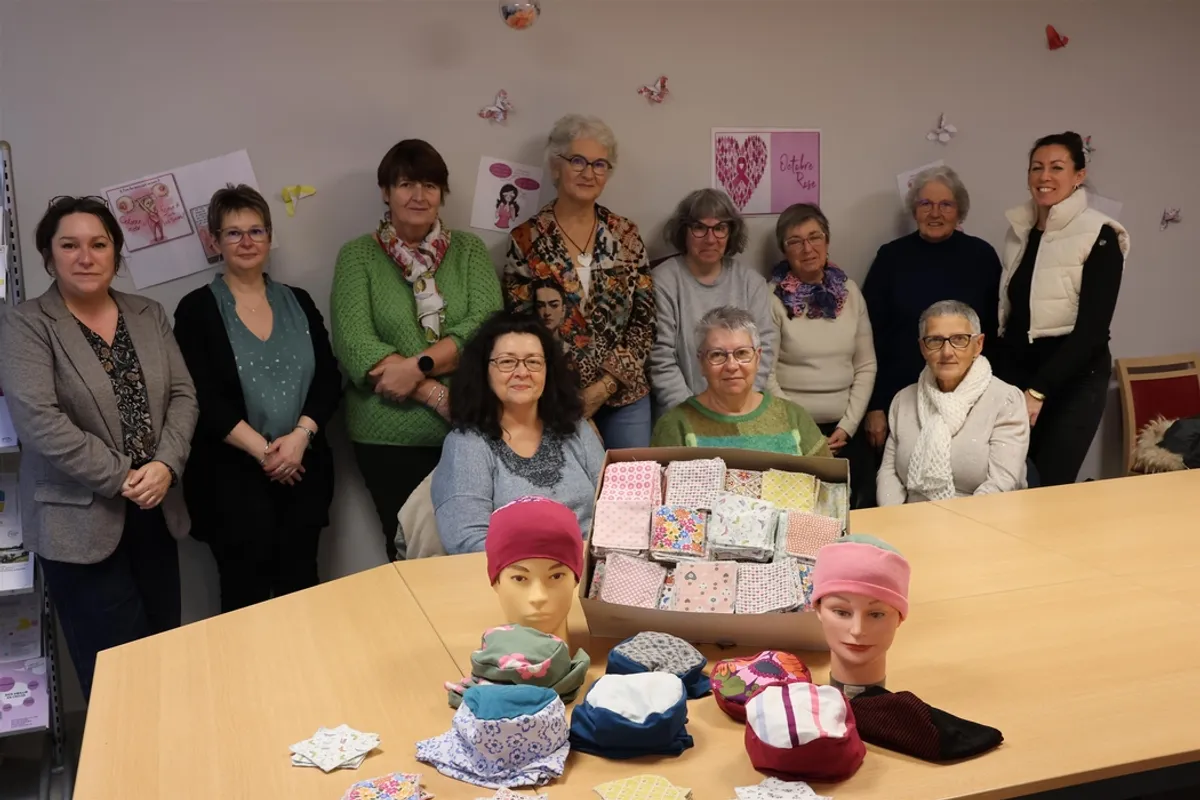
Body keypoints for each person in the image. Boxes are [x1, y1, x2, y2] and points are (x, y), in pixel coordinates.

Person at [0, 196, 197, 699]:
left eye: (98, 244)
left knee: (165, 651)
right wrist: (123, 476)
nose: (84, 256)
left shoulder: (147, 313)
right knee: (118, 678)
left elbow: (182, 395)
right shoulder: (26, 325)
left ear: (115, 253)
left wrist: (166, 466)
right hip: (79, 523)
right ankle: (124, 775)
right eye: (69, 245)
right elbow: (39, 421)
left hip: (155, 506)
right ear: (49, 255)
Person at [173, 185, 342, 612]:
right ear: (214, 241)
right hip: (231, 484)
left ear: (270, 237)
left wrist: (299, 439)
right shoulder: (196, 310)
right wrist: (266, 453)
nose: (247, 242)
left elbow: (327, 379)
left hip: (303, 472)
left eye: (256, 230)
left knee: (303, 593)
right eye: (233, 233)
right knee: (244, 605)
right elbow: (200, 395)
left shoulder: (299, 302)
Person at [331, 139, 503, 560]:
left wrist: (419, 365)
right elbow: (356, 344)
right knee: (409, 552)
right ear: (386, 192)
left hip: (470, 430)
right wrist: (435, 392)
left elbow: (486, 328)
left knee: (473, 550)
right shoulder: (357, 256)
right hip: (388, 436)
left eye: (429, 184)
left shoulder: (469, 251)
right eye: (406, 183)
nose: (418, 196)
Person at [504, 114, 656, 449]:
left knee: (630, 496)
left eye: (600, 164)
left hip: (624, 396)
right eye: (578, 161)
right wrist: (571, 399)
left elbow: (644, 324)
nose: (589, 173)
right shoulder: (527, 239)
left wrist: (603, 388)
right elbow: (521, 329)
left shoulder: (625, 234)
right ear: (555, 167)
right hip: (553, 398)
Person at [993, 132, 1128, 486]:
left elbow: (1093, 331)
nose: (1044, 177)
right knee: (1009, 482)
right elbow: (1012, 317)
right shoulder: (1018, 231)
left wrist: (1039, 390)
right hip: (1020, 377)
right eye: (1036, 168)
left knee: (1049, 486)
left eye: (1056, 167)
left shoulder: (1100, 234)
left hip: (1073, 380)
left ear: (1078, 176)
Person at [431, 311, 605, 554]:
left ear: (548, 370)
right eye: (507, 361)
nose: (522, 372)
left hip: (590, 571)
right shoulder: (466, 445)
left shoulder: (575, 428)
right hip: (514, 580)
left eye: (533, 361)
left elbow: (612, 505)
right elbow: (467, 542)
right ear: (484, 370)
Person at [861, 166, 1002, 454]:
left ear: (959, 211)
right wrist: (875, 405)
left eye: (945, 205)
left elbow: (996, 334)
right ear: (914, 210)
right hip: (902, 397)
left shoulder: (982, 257)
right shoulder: (890, 258)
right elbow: (869, 337)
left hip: (969, 399)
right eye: (925, 203)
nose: (934, 213)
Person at [765, 203, 877, 506]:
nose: (807, 248)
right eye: (795, 241)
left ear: (827, 242)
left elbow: (866, 365)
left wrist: (848, 426)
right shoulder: (771, 299)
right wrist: (805, 431)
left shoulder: (850, 292)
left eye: (815, 237)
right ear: (784, 250)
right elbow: (765, 373)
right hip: (792, 431)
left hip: (846, 431)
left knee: (862, 501)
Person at [877, 301, 1028, 505]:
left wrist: (950, 529)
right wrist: (892, 520)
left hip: (983, 522)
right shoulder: (903, 399)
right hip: (910, 522)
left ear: (978, 345)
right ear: (922, 347)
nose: (947, 352)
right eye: (935, 340)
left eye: (959, 339)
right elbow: (889, 474)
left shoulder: (1006, 400)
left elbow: (1003, 482)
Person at [649, 188, 776, 418]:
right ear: (684, 231)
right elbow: (660, 360)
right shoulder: (663, 281)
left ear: (730, 233)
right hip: (682, 413)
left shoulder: (751, 283)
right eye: (699, 228)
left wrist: (741, 408)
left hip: (742, 413)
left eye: (720, 228)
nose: (710, 239)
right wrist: (693, 415)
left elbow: (762, 353)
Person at [651, 306, 829, 457]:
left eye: (742, 353)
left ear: (758, 358)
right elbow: (659, 494)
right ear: (701, 363)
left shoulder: (794, 417)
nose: (731, 365)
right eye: (717, 355)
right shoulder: (675, 425)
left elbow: (833, 486)